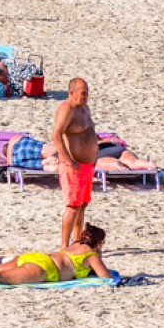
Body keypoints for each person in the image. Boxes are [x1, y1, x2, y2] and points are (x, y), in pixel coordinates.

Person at [0, 226, 115, 287]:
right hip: (46, 268)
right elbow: (106, 277)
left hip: (34, 257)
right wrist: (98, 257)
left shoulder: (73, 245)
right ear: (98, 243)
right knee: (0, 277)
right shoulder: (92, 255)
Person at [52, 77, 98, 248]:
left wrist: (95, 157)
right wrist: (68, 160)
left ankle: (77, 242)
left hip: (87, 166)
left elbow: (91, 132)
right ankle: (64, 246)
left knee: (82, 205)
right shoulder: (66, 109)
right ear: (71, 93)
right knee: (72, 206)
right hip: (73, 165)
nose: (86, 96)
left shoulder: (85, 108)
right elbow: (56, 136)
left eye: (87, 93)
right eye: (83, 93)